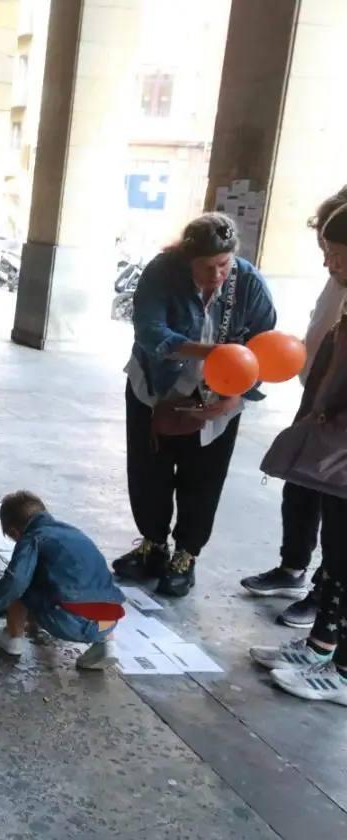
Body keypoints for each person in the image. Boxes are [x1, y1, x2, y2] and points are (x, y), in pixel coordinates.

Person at [113, 213, 277, 598]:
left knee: (203, 479)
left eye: (224, 264)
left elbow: (265, 347)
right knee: (148, 471)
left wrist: (234, 395)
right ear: (187, 259)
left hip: (220, 397)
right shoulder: (162, 272)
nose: (217, 274)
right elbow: (151, 332)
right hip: (155, 388)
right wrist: (216, 353)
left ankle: (185, 556)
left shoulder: (249, 283)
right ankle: (153, 545)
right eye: (207, 267)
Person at [248, 199, 347, 705]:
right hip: (335, 450)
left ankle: (343, 670)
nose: (329, 264)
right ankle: (322, 645)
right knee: (337, 554)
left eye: (336, 254)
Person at [0, 491, 125, 671]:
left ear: (13, 532)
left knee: (22, 584)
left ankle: (13, 638)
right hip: (109, 619)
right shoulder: (73, 533)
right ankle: (107, 645)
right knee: (94, 587)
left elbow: (16, 580)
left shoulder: (32, 538)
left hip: (69, 622)